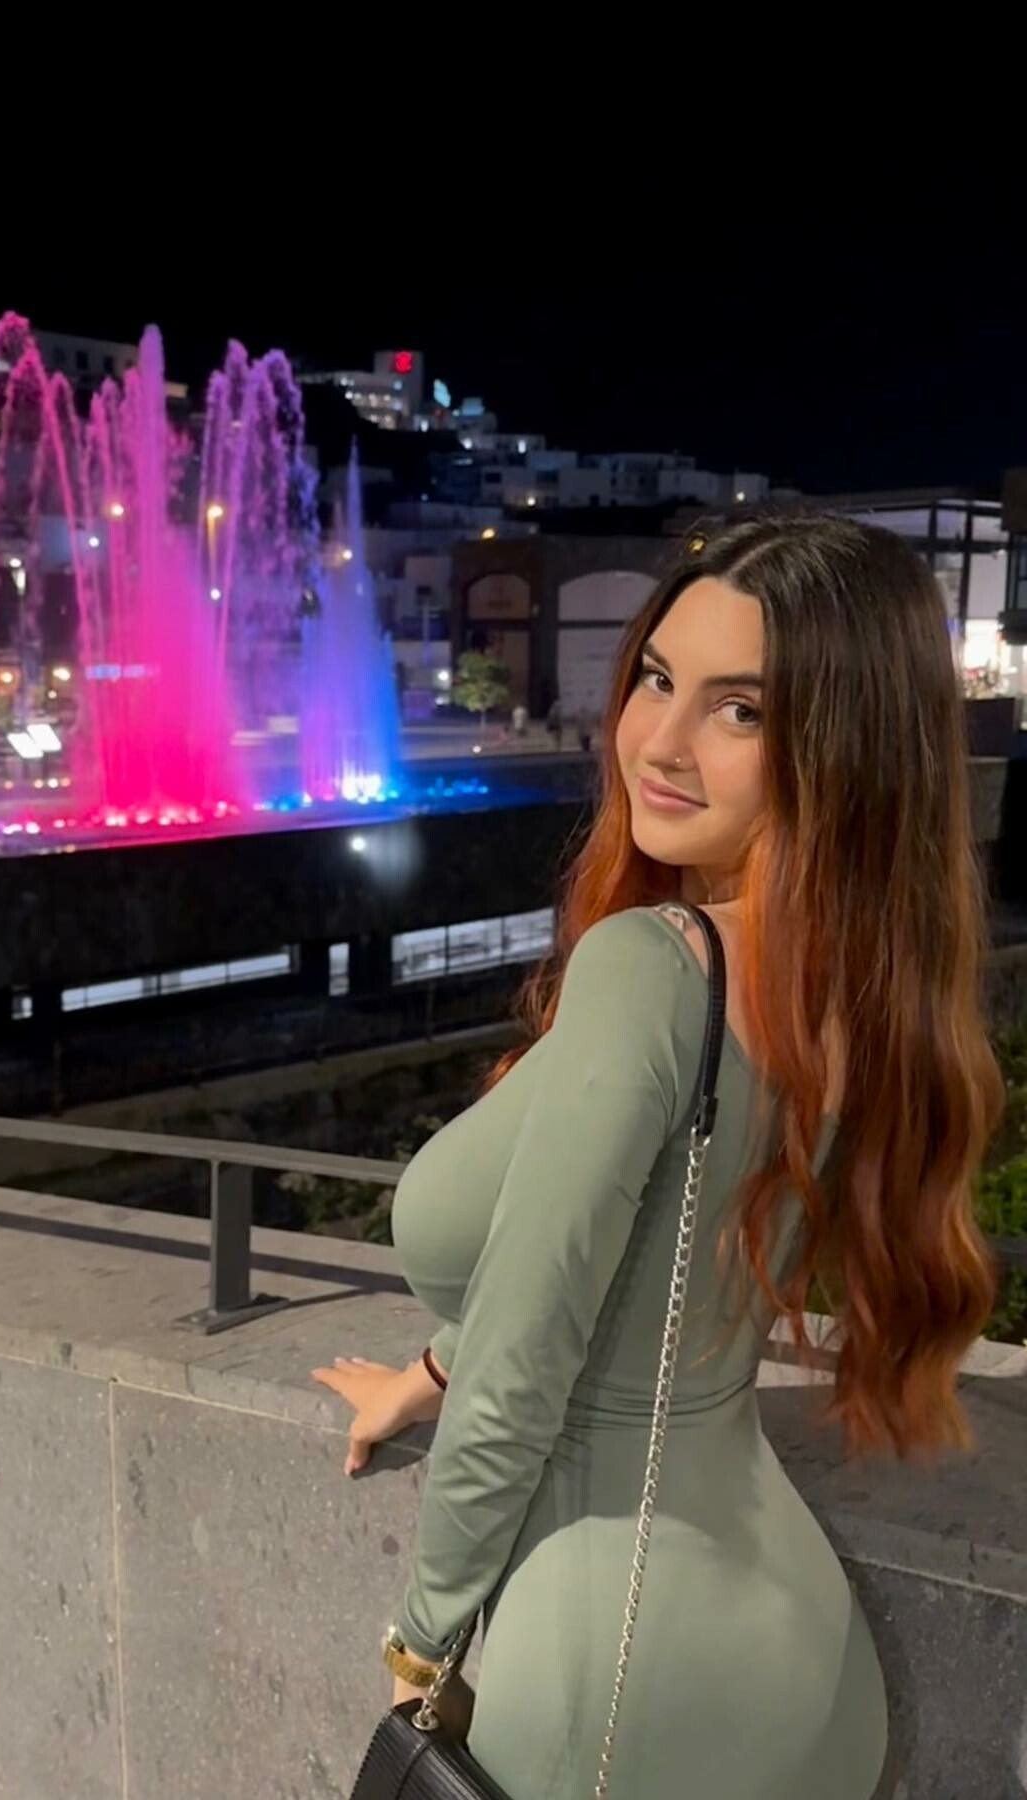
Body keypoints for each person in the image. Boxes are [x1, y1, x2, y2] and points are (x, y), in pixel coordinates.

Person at [312, 514, 1001, 1798]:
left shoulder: (654, 968)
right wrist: (433, 1367)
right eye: (657, 679)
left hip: (606, 1673)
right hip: (799, 1651)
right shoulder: (860, 985)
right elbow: (632, 1256)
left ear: (844, 748)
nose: (660, 743)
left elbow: (530, 1361)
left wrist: (421, 1642)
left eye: (741, 711)